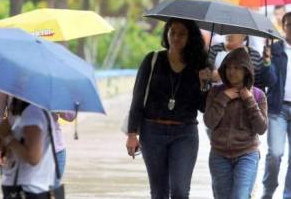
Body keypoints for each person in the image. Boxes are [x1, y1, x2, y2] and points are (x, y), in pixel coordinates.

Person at [125, 18, 209, 199]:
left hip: (184, 134)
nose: (176, 38)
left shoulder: (198, 66)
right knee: (159, 192)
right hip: (152, 132)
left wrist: (204, 84)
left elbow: (203, 108)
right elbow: (138, 98)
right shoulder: (152, 60)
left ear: (190, 37)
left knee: (180, 190)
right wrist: (132, 134)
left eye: (182, 34)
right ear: (167, 33)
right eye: (173, 32)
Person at [204, 47, 268, 199]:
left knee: (240, 196)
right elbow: (209, 122)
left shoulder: (258, 95)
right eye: (229, 67)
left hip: (247, 154)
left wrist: (249, 101)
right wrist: (223, 98)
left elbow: (261, 128)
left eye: (237, 68)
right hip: (219, 155)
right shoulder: (216, 92)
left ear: (246, 70)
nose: (232, 72)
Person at [0, 91, 75, 186]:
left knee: (48, 195)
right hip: (12, 150)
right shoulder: (8, 79)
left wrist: (50, 100)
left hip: (52, 151)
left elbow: (70, 115)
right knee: (15, 194)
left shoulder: (54, 81)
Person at [0, 97, 56, 198]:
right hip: (25, 186)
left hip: (28, 189)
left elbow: (33, 158)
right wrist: (1, 146)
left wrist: (8, 139)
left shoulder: (32, 113)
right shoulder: (19, 113)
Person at [261, 11, 291, 199]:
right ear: (284, 27)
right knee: (275, 154)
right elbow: (269, 81)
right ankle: (268, 190)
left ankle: (288, 194)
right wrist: (266, 61)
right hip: (278, 109)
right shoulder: (276, 49)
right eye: (289, 25)